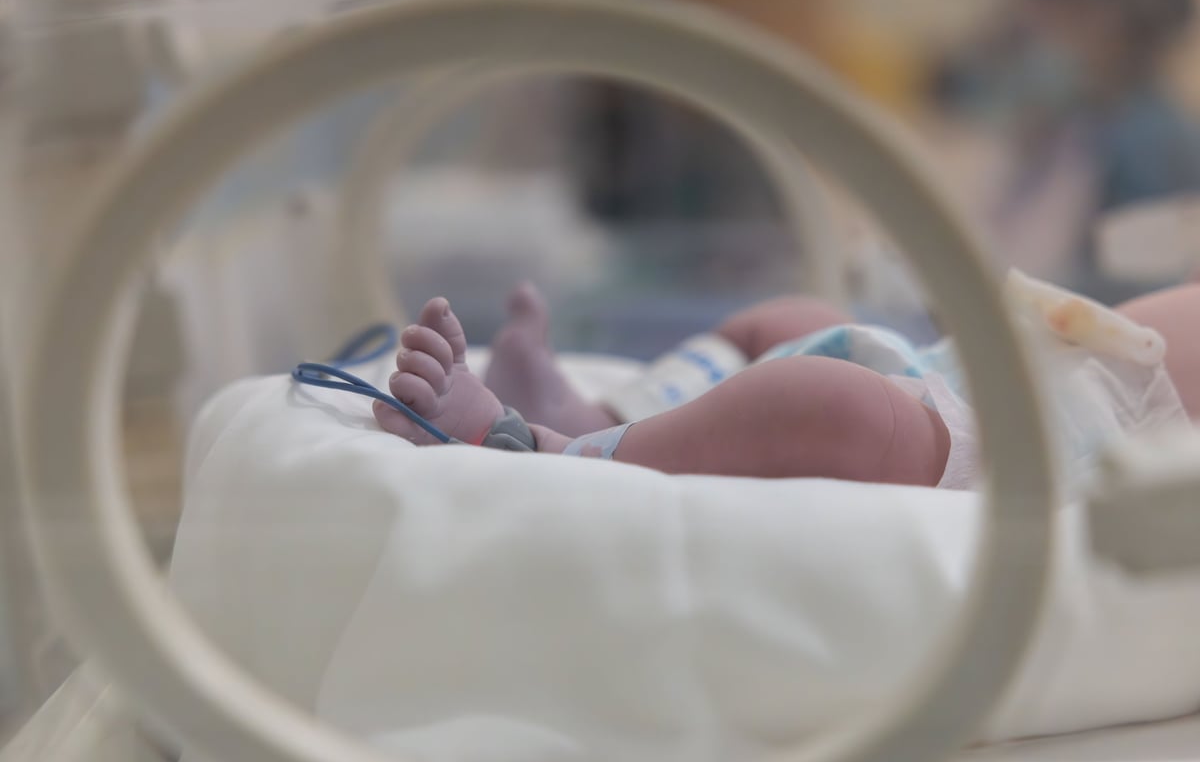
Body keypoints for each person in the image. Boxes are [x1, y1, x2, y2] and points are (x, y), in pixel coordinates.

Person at [372, 280, 1200, 488]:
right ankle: (609, 411)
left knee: (820, 402)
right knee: (786, 318)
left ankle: (551, 450)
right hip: (972, 370)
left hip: (1033, 456)